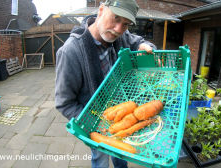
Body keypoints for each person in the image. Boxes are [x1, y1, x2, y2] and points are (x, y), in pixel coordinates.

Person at [55, 0, 156, 167]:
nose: (118, 29)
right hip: (95, 122)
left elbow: (137, 41)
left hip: (123, 113)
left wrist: (145, 45)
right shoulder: (70, 52)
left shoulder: (120, 35)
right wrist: (95, 124)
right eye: (115, 18)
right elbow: (64, 103)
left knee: (122, 154)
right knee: (100, 159)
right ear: (101, 10)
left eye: (126, 24)